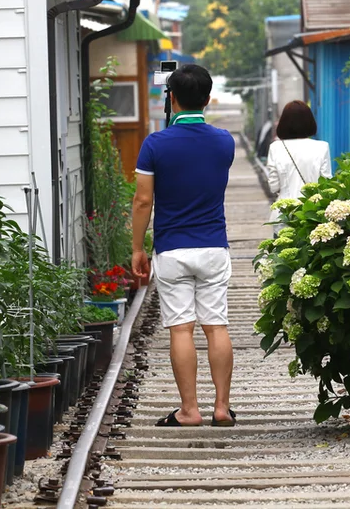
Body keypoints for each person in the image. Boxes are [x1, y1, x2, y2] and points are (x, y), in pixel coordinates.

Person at [130, 64, 237, 427]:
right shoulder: (225, 141)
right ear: (207, 99)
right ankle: (222, 407)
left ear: (171, 98)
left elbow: (143, 201)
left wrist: (137, 249)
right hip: (212, 247)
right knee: (216, 326)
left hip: (173, 249)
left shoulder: (154, 145)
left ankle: (189, 410)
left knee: (181, 329)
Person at [266, 101, 332, 227]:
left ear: (283, 123)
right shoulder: (322, 147)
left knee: (283, 245)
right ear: (310, 122)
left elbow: (274, 186)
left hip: (284, 213)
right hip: (313, 213)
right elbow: (326, 184)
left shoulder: (275, 148)